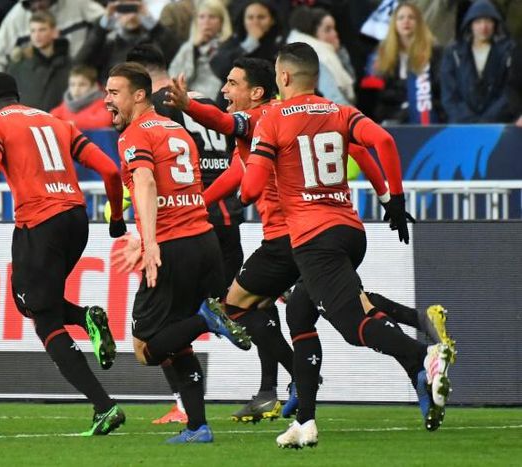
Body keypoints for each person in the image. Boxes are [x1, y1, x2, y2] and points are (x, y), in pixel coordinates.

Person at [164, 56, 409, 424]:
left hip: (289, 237)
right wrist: (388, 197)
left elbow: (226, 124)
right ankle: (414, 335)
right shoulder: (307, 116)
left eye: (232, 83)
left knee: (238, 305)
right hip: (324, 231)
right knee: (317, 309)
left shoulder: (265, 118)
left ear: (258, 91)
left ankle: (303, 377)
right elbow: (360, 150)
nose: (225, 91)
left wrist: (189, 107)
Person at [241, 42, 455, 448]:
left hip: (311, 238)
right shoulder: (338, 112)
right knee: (301, 314)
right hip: (350, 231)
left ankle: (420, 357)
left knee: (355, 328)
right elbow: (385, 144)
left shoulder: (271, 120)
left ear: (282, 77)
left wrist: (252, 172)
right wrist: (394, 200)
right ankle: (305, 421)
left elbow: (250, 191)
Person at [0, 72, 127, 436]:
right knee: (30, 301)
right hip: (77, 221)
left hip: (39, 223)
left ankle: (103, 406)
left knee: (43, 318)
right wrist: (117, 220)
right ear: (18, 95)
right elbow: (110, 170)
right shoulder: (58, 122)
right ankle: (84, 317)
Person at [104, 62, 251, 443]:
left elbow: (147, 182)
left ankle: (208, 320)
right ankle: (198, 426)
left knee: (146, 348)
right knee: (176, 341)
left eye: (114, 93)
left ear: (139, 95)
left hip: (172, 247)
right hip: (204, 241)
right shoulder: (177, 129)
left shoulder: (133, 135)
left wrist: (150, 242)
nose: (106, 101)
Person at [362, 2, 444, 125]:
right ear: (394, 24)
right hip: (392, 114)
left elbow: (439, 87)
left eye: (411, 17)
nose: (406, 21)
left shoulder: (434, 52)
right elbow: (380, 93)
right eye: (401, 18)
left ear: (419, 23)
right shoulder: (382, 52)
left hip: (427, 113)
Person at [0, 0, 105, 80]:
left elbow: (108, 22)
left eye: (40, 1)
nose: (37, 5)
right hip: (37, 81)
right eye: (30, 3)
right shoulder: (17, 16)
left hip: (82, 77)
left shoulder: (77, 3)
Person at [440, 0, 515, 123]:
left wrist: (487, 120)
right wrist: (470, 121)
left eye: (488, 21)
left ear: (495, 24)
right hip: (461, 127)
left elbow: (509, 92)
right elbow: (449, 96)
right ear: (470, 24)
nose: (483, 27)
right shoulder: (453, 53)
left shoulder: (508, 53)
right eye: (478, 21)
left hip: (497, 126)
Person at [75, 0, 180, 85]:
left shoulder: (156, 42)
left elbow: (178, 56)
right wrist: (102, 26)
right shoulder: (109, 46)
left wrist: (154, 25)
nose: (130, 15)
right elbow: (80, 63)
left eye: (133, 9)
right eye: (124, 10)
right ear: (116, 14)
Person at [210, 0, 283, 103]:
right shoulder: (234, 41)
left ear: (272, 20)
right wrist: (250, 44)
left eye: (261, 17)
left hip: (265, 103)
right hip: (229, 104)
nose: (255, 22)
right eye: (250, 17)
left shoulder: (279, 46)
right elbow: (219, 68)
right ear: (243, 20)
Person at [286, 6, 356, 105]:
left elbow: (351, 79)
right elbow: (336, 100)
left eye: (334, 29)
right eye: (328, 30)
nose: (335, 34)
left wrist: (339, 51)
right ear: (311, 35)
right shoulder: (319, 60)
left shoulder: (327, 54)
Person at [168, 0, 233, 99]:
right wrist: (194, 50)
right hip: (188, 100)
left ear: (222, 22)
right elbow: (174, 78)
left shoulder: (230, 46)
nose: (206, 21)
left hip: (219, 101)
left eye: (212, 17)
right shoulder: (188, 48)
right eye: (202, 17)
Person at [7, 11, 70, 112]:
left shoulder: (68, 64)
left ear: (54, 32)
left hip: (59, 122)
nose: (37, 35)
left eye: (42, 30)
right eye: (33, 31)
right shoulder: (18, 64)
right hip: (27, 123)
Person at [50, 65, 112, 130]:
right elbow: (51, 118)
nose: (76, 89)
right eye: (72, 84)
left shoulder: (101, 103)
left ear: (94, 86)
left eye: (82, 84)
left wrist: (74, 123)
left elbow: (105, 120)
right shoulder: (66, 104)